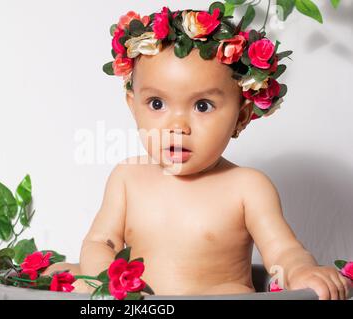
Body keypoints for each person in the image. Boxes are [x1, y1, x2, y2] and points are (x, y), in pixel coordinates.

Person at [43, 4, 352, 299]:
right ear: (133, 107)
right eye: (157, 104)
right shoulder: (127, 179)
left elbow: (283, 251)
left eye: (202, 106)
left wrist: (300, 270)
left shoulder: (247, 187)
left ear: (241, 117)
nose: (177, 125)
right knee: (66, 272)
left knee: (234, 292)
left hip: (218, 298)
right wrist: (105, 284)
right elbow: (100, 241)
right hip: (141, 305)